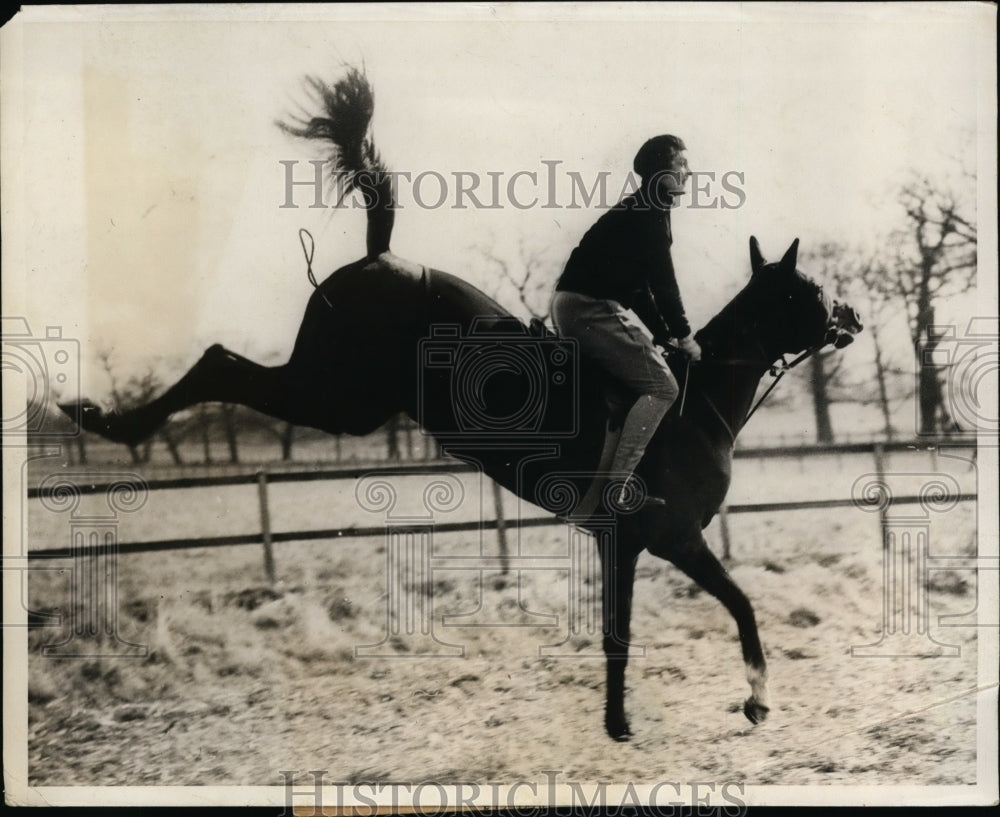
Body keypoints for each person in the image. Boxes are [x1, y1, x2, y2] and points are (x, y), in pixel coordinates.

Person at [551, 134, 701, 518]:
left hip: (576, 305)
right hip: (588, 309)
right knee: (664, 387)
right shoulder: (650, 213)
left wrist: (663, 334)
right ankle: (615, 492)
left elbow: (638, 288)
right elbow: (664, 284)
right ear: (660, 172)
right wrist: (684, 335)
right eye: (680, 164)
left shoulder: (647, 209)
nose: (688, 171)